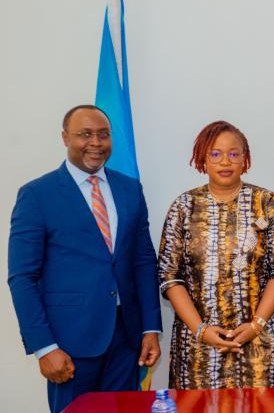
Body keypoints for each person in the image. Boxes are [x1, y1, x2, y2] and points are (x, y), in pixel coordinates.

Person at [7, 105, 162, 413]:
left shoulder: (130, 189)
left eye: (103, 134)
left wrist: (150, 328)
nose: (96, 142)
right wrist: (44, 347)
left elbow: (143, 261)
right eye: (85, 134)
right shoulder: (37, 195)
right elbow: (22, 277)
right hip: (69, 345)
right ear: (65, 137)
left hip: (126, 338)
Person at [158, 121, 274, 389]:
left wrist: (256, 326)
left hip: (259, 342)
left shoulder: (266, 203)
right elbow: (170, 277)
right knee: (199, 407)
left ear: (245, 158)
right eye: (215, 154)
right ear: (203, 159)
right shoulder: (184, 206)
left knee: (260, 407)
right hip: (197, 345)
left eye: (233, 153)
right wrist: (201, 330)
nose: (225, 161)